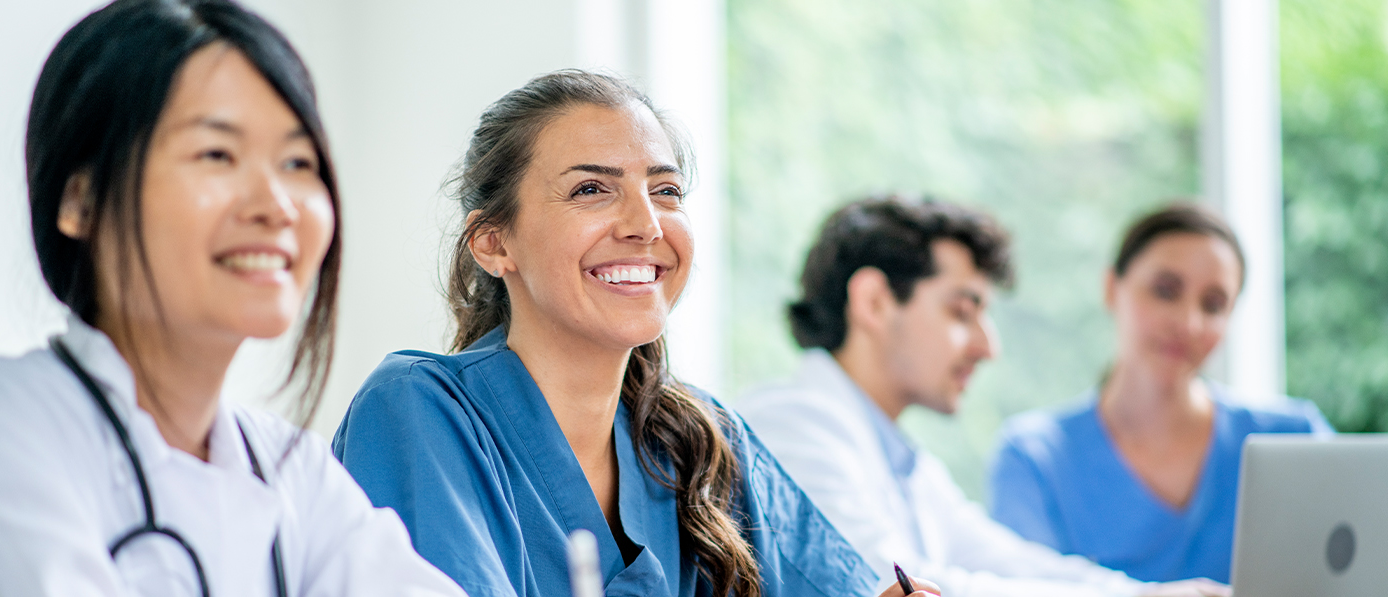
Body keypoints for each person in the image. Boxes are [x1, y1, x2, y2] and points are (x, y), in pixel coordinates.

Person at [330, 71, 937, 597]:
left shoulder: (704, 440)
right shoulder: (418, 412)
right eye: (591, 189)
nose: (646, 224)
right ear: (494, 242)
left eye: (666, 190)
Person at [0, 2, 466, 595]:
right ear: (80, 201)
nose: (277, 205)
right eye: (216, 154)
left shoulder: (291, 470)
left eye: (298, 162)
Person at [735, 197, 1230, 597]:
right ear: (874, 302)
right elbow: (892, 581)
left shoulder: (905, 463)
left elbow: (1004, 560)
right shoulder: (791, 426)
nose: (987, 346)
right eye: (961, 312)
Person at [988, 202, 1333, 584]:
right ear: (1111, 289)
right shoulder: (1035, 458)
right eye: (1166, 291)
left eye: (1214, 304)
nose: (1188, 322)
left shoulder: (1293, 438)